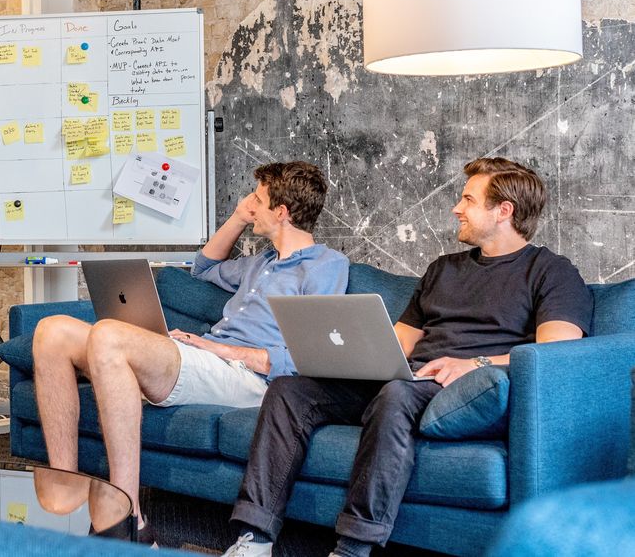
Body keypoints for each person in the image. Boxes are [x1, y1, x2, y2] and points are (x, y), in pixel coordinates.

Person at [219, 157, 593, 557]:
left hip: (469, 387)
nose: (456, 208)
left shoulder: (551, 271)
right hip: (410, 379)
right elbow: (399, 342)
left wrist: (473, 364)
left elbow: (555, 353)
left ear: (504, 211)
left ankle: (352, 549)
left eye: (468, 199)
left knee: (396, 394)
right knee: (290, 391)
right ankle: (254, 538)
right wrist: (350, 358)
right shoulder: (442, 270)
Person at [32, 161, 349, 536]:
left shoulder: (326, 266)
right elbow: (203, 267)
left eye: (257, 200)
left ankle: (128, 516)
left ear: (281, 213)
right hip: (208, 361)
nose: (249, 204)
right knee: (51, 331)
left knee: (108, 336)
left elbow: (310, 356)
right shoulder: (259, 263)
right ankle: (66, 481)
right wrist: (236, 218)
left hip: (247, 379)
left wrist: (221, 350)